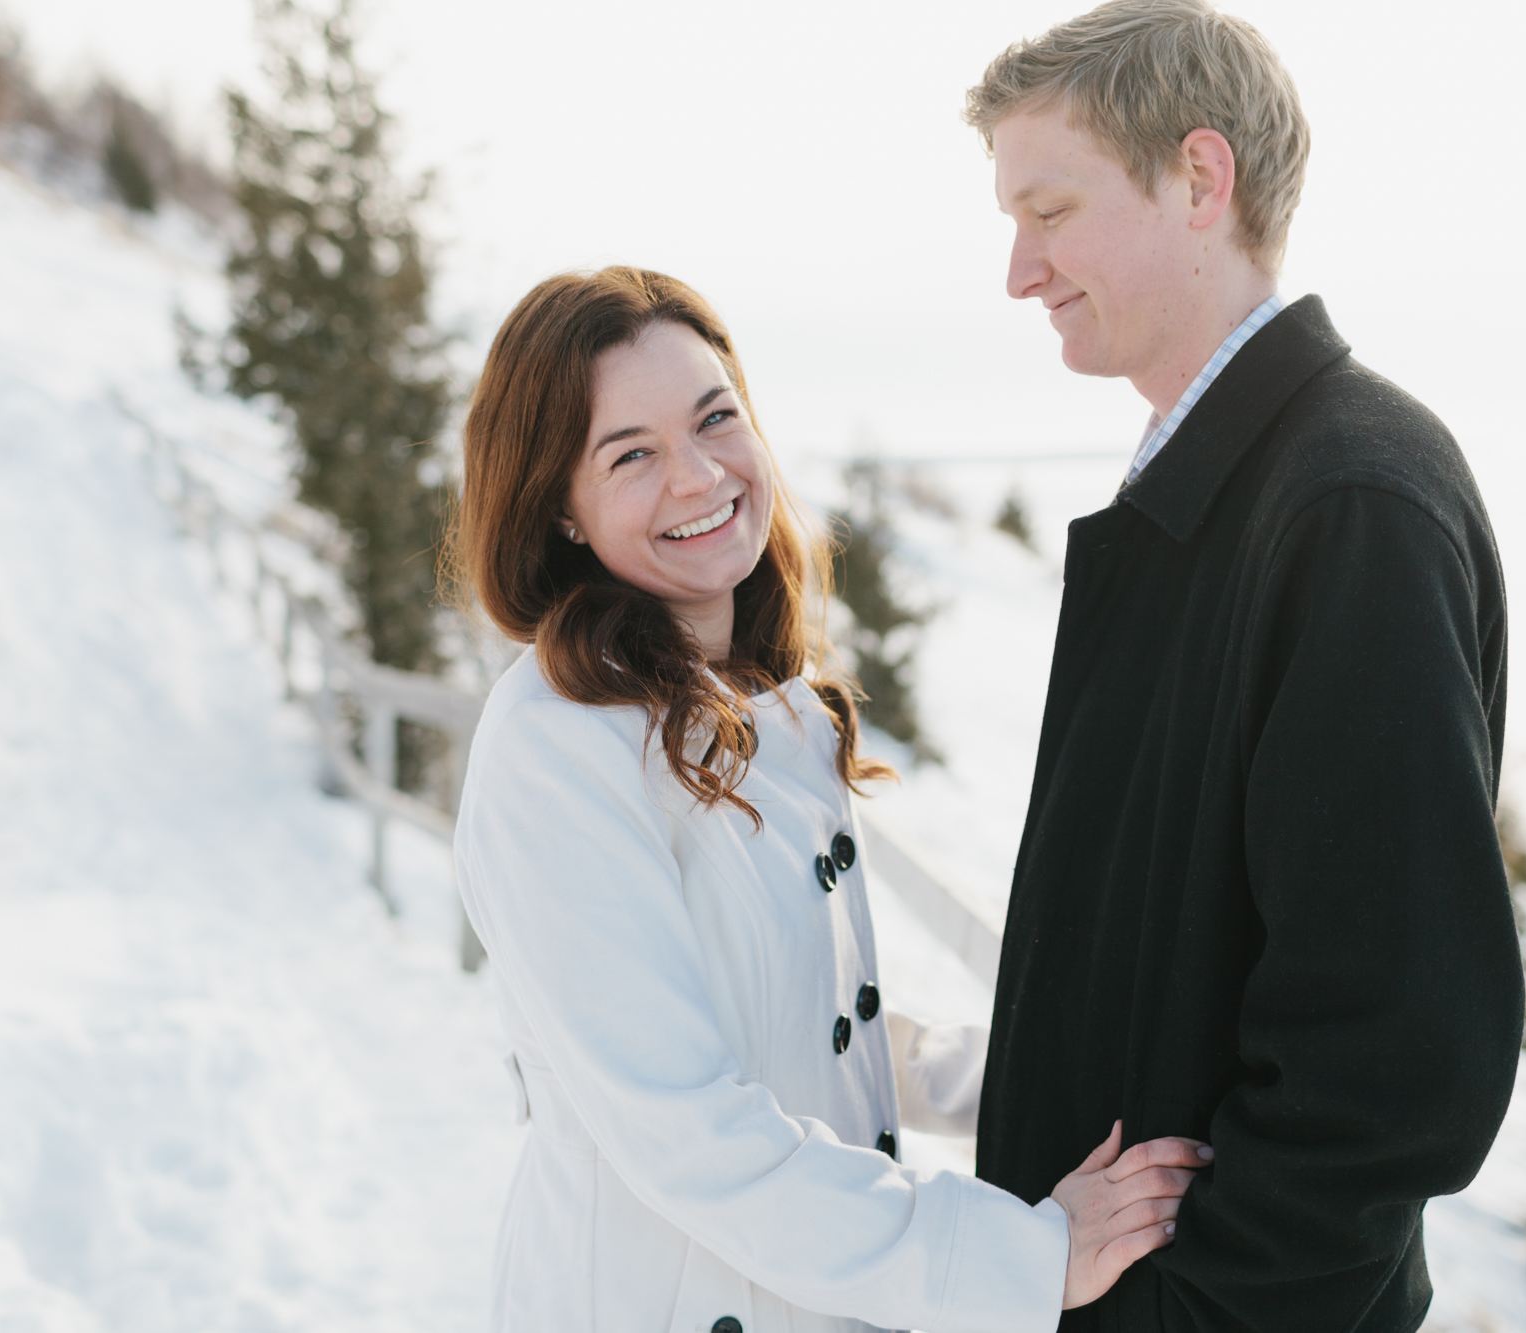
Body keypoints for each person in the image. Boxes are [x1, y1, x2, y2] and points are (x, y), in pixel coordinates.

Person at [447, 266, 1211, 1333]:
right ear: (558, 511)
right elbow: (685, 1126)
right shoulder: (554, 748)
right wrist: (1023, 1258)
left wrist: (1056, 1073)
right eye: (631, 454)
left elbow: (811, 1028)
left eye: (715, 418)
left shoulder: (769, 707)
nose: (698, 473)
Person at [962, 3, 1522, 1329]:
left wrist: (1185, 1312)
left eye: (1050, 210)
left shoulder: (1348, 503)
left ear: (1200, 178)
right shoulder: (1223, 480)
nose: (1019, 270)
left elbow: (1394, 1054)